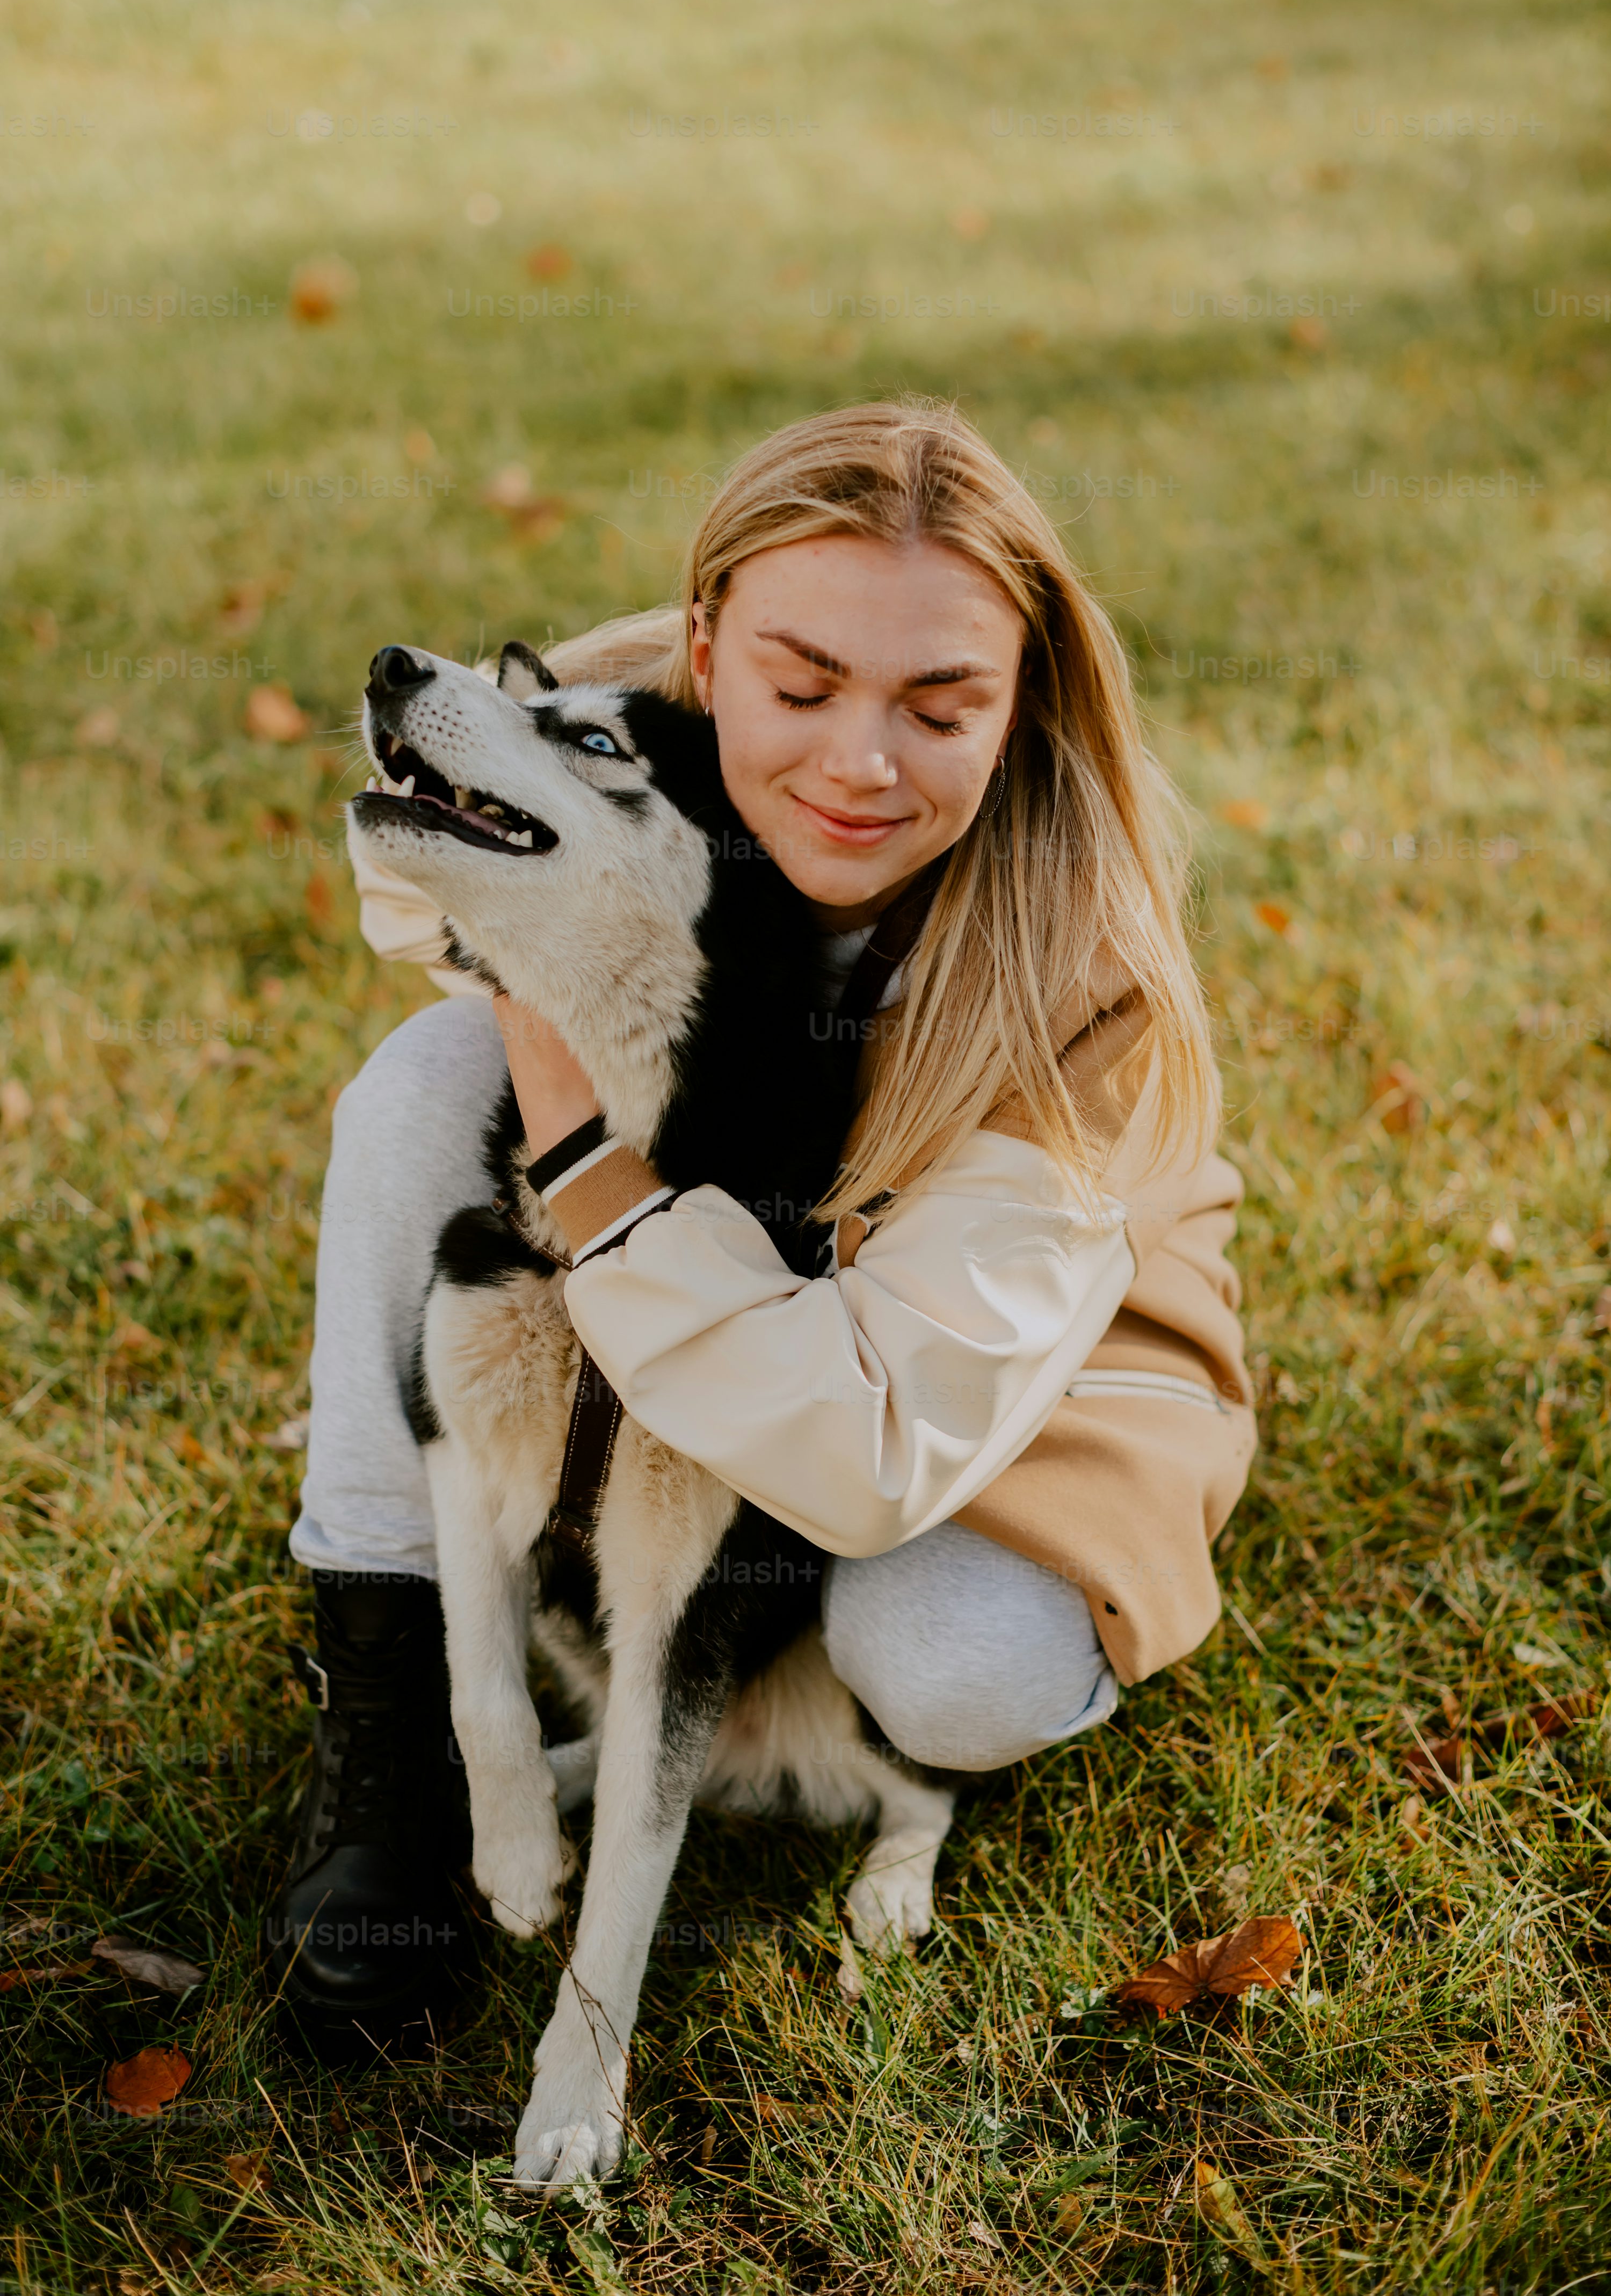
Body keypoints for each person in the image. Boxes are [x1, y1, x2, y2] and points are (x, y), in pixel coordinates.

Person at [265, 401, 1258, 2043]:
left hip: (978, 1387)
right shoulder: (652, 697)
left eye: (941, 706)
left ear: (1020, 709)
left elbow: (872, 1443)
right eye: (800, 688)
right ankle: (382, 1713)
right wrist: (539, 962)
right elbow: (412, 855)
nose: (858, 764)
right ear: (714, 650)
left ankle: (862, 1747)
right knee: (425, 1087)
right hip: (730, 1248)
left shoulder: (1088, 983)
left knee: (949, 1656)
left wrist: (589, 1154)